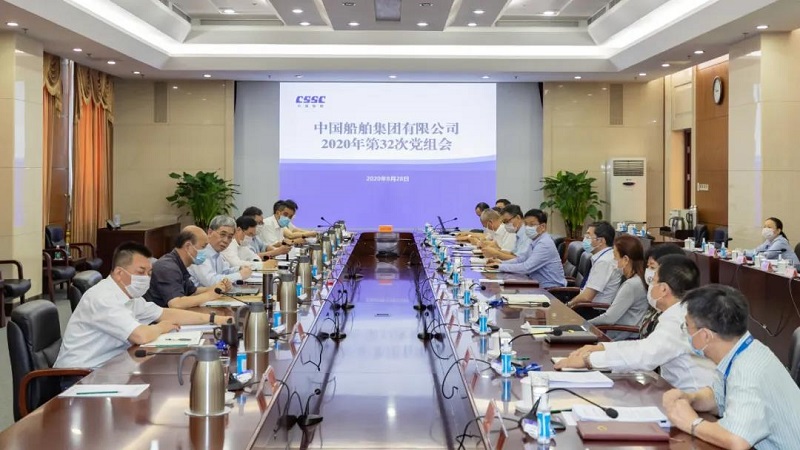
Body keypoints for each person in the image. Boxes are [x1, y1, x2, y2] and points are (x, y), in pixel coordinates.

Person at [662, 284, 800, 449]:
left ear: (705, 335)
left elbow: (737, 440)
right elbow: (719, 397)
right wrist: (691, 398)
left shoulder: (747, 371)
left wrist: (691, 422)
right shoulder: (744, 350)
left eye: (687, 326)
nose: (685, 332)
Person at [55, 242, 232, 369]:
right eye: (141, 272)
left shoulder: (130, 295)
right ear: (119, 273)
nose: (146, 278)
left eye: (149, 273)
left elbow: (165, 313)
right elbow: (140, 336)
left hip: (111, 367)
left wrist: (216, 319)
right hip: (80, 376)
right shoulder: (103, 298)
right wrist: (161, 327)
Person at [555, 255, 718, 392]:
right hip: (676, 392)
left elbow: (645, 356)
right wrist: (602, 348)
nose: (649, 286)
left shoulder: (679, 319)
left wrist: (589, 360)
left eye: (653, 281)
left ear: (663, 289)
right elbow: (646, 345)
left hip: (693, 401)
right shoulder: (680, 311)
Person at [145, 227, 232, 309]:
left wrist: (218, 288)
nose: (206, 252)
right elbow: (176, 303)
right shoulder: (168, 267)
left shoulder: (179, 264)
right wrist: (209, 295)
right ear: (188, 246)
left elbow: (193, 291)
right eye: (203, 247)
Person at [586, 235, 648, 340]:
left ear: (625, 259)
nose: (614, 261)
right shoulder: (640, 279)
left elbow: (609, 318)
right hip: (627, 334)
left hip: (620, 338)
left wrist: (584, 323)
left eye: (615, 257)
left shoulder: (631, 285)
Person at [488, 209, 566, 289]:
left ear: (543, 227)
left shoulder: (545, 244)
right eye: (526, 224)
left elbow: (526, 267)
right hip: (535, 285)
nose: (528, 227)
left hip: (551, 290)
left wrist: (499, 267)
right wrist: (501, 263)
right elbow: (521, 259)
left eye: (531, 225)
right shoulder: (535, 240)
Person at [566, 221, 622, 317]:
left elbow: (587, 297)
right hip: (587, 306)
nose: (585, 239)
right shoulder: (603, 256)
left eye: (588, 236)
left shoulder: (604, 262)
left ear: (601, 241)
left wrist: (568, 305)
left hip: (593, 311)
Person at [188, 215, 252, 287]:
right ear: (210, 232)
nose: (226, 240)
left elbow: (224, 271)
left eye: (230, 237)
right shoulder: (200, 252)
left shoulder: (217, 253)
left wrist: (239, 269)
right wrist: (240, 275)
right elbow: (210, 281)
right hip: (199, 293)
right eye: (222, 234)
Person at [639, 244, 687, 337]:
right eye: (648, 266)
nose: (649, 272)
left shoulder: (677, 318)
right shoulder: (656, 303)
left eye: (652, 267)